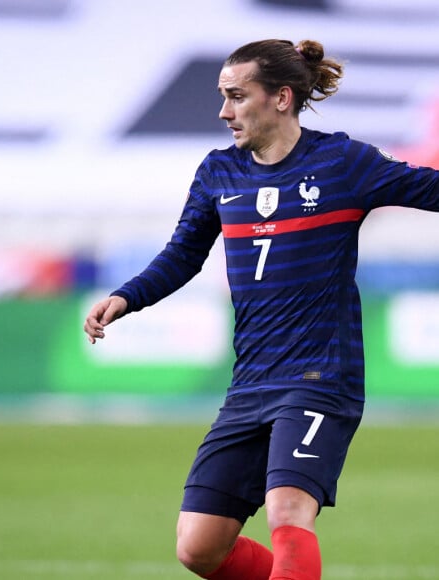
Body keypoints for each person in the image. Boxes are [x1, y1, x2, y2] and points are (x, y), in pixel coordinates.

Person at [83, 39, 439, 579]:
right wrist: (126, 296)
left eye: (235, 96)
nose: (223, 111)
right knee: (198, 546)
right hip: (250, 381)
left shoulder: (343, 162)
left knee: (288, 508)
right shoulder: (219, 173)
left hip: (322, 376)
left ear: (280, 98)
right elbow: (183, 254)